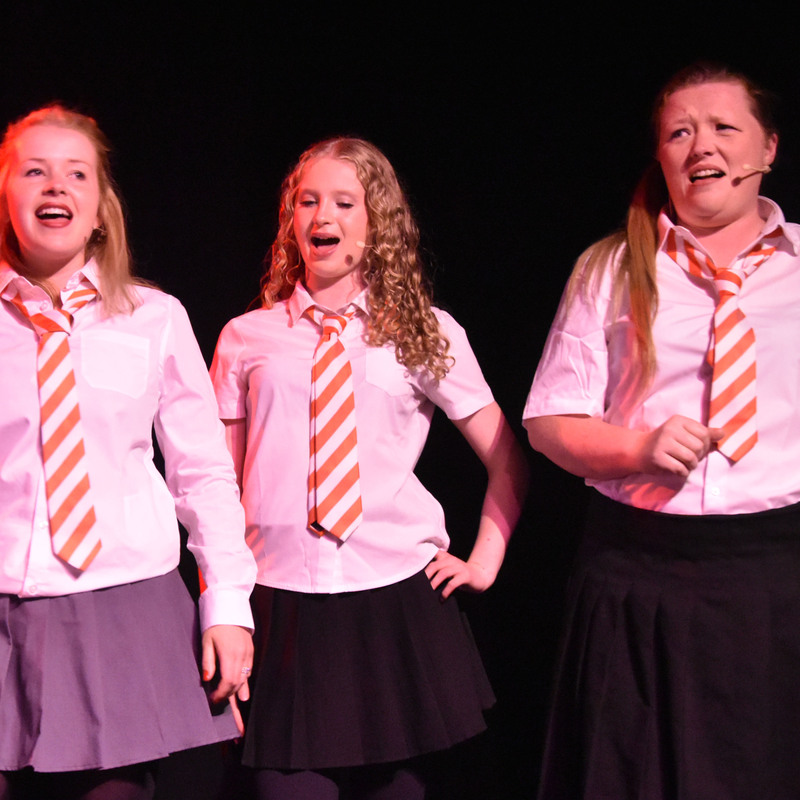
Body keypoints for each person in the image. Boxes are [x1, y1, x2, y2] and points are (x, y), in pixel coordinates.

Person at [211, 137, 528, 799]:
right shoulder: (247, 337)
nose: (322, 215)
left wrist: (484, 560)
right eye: (308, 201)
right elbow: (219, 488)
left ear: (376, 221)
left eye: (343, 202)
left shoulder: (423, 332)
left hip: (395, 605)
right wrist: (224, 606)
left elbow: (506, 456)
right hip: (281, 604)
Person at [524, 62, 800, 799]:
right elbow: (549, 422)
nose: (700, 145)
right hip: (641, 575)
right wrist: (637, 448)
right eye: (679, 133)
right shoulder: (613, 267)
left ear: (768, 147)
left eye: (723, 127)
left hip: (776, 578)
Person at [0, 105, 257, 800]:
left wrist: (227, 603)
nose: (56, 186)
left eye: (76, 174)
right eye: (34, 171)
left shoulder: (154, 317)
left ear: (100, 210)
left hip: (123, 608)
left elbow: (203, 472)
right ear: (6, 198)